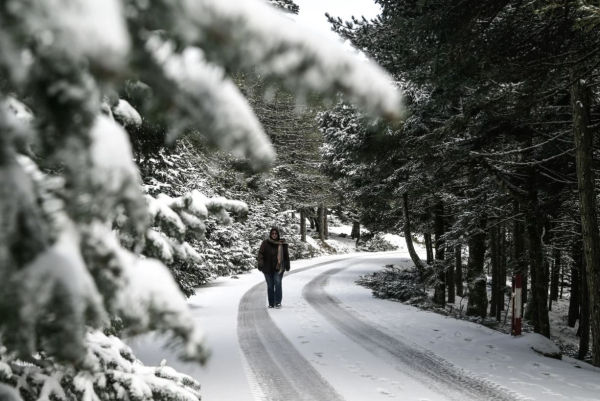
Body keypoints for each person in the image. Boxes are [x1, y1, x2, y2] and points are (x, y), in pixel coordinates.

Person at [257, 227, 290, 309]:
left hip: (279, 268)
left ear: (278, 234)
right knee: (270, 286)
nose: (274, 235)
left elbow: (286, 255)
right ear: (270, 234)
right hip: (267, 268)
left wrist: (287, 264)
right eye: (272, 233)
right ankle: (271, 303)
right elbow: (261, 253)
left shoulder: (282, 244)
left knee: (278, 284)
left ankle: (278, 302)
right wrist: (261, 263)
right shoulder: (265, 243)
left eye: (276, 233)